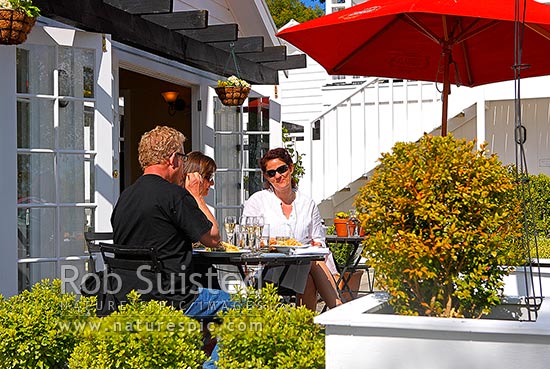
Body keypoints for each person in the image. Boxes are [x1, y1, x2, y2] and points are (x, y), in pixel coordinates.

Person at [110, 126, 231, 368]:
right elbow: (214, 239)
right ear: (174, 159)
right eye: (184, 158)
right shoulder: (174, 195)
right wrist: (196, 196)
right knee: (247, 306)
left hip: (129, 297)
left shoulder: (125, 197)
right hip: (174, 299)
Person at [242, 148, 342, 310]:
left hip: (303, 267)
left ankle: (305, 330)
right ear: (266, 177)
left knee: (308, 273)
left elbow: (319, 242)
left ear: (291, 168)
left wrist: (316, 251)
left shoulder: (307, 203)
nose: (278, 176)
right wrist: (271, 244)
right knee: (311, 264)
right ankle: (337, 309)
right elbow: (246, 240)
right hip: (268, 270)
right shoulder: (258, 201)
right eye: (271, 173)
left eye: (282, 169)